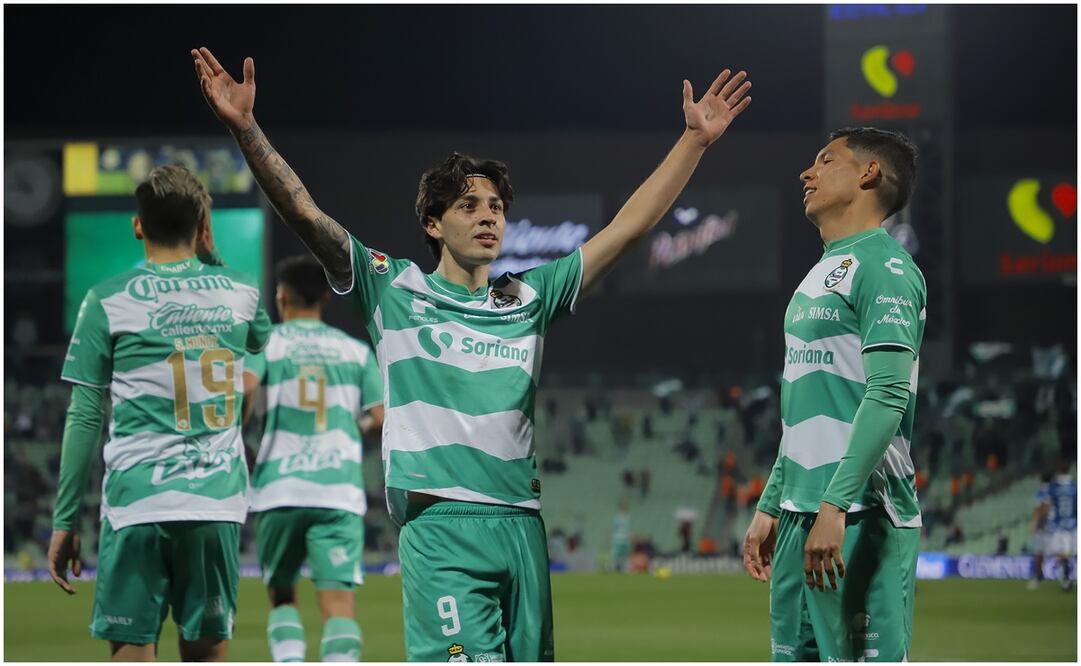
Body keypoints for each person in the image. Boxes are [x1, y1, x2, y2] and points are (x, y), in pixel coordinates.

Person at [191, 45, 751, 661]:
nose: (490, 217)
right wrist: (246, 131)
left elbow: (628, 227)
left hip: (522, 525)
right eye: (469, 206)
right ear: (432, 223)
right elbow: (305, 212)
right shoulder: (392, 288)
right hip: (441, 527)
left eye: (498, 207)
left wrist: (693, 142)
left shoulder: (530, 297)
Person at [46, 165, 272, 661]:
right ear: (202, 226)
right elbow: (259, 340)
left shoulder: (105, 300)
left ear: (137, 226)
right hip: (215, 507)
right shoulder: (241, 290)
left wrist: (65, 521)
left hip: (137, 505)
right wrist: (211, 259)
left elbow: (85, 415)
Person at [741, 127, 924, 662]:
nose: (807, 172)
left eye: (825, 160)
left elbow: (889, 395)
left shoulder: (885, 268)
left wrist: (834, 505)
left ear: (869, 174)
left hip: (860, 514)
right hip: (804, 513)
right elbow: (803, 406)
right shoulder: (818, 274)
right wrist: (774, 501)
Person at [242, 255, 385, 662]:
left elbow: (246, 391)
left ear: (281, 296)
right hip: (337, 490)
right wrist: (352, 429)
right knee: (339, 605)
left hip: (278, 489)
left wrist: (244, 429)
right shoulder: (355, 352)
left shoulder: (267, 344)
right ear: (326, 296)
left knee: (283, 598)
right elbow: (380, 417)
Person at [1046, 460, 1077, 591]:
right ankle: (1068, 578)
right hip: (1074, 524)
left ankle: (1066, 580)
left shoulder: (1054, 488)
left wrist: (1049, 524)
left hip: (1060, 526)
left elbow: (1049, 507)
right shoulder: (1075, 487)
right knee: (1070, 554)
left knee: (1061, 554)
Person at [1028, 471, 1053, 590]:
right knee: (1063, 551)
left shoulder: (1040, 492)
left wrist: (1034, 524)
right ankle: (1067, 577)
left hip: (1043, 527)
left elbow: (1039, 509)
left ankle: (1037, 578)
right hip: (1058, 526)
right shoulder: (1055, 491)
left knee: (1039, 553)